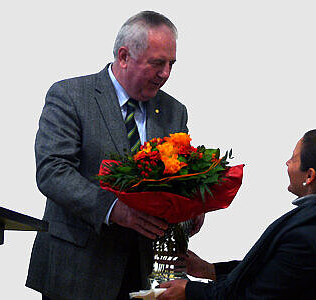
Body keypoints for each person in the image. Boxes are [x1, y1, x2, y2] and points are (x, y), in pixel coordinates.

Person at [26, 10, 203, 300]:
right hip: (78, 271)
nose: (166, 74)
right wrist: (114, 209)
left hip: (145, 270)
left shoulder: (175, 111)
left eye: (171, 63)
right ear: (123, 56)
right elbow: (53, 171)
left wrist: (194, 204)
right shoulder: (70, 96)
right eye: (157, 63)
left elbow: (179, 175)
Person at [157, 129, 316, 299]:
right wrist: (209, 270)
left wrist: (189, 291)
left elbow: (253, 294)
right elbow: (272, 271)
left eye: (293, 158)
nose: (287, 162)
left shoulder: (309, 235)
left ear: (309, 176)